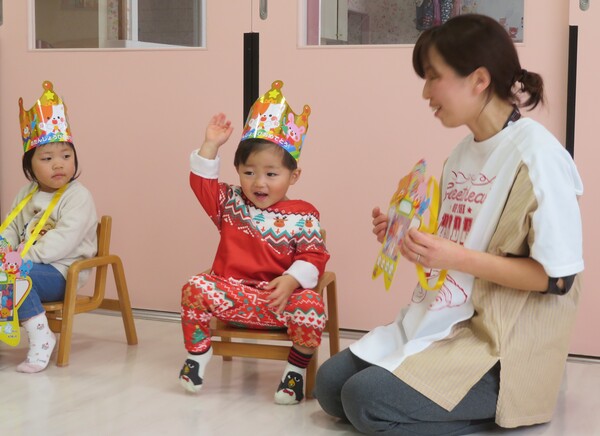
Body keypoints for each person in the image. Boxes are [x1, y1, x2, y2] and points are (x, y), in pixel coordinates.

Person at [315, 14, 583, 435]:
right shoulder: (460, 154)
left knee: (363, 401)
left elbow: (558, 280)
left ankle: (498, 407)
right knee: (331, 386)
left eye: (433, 77)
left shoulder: (539, 158)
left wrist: (456, 256)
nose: (425, 92)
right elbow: (453, 256)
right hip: (444, 321)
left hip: (498, 346)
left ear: (479, 80)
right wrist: (410, 240)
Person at [179, 80, 330, 405]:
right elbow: (202, 183)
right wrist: (210, 145)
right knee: (194, 287)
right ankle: (198, 353)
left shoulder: (304, 215)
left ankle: (295, 372)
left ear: (293, 176)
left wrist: (292, 280)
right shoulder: (231, 202)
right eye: (249, 173)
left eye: (271, 174)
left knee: (312, 306)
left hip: (276, 301)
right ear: (237, 170)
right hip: (231, 295)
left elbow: (314, 256)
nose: (259, 183)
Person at [0, 80, 98, 373]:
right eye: (47, 158)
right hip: (23, 264)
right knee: (5, 274)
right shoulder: (26, 193)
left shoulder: (77, 196)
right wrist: (4, 249)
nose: (59, 164)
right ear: (30, 166)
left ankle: (42, 335)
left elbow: (63, 240)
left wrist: (20, 261)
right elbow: (11, 227)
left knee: (13, 278)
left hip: (61, 271)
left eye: (66, 156)